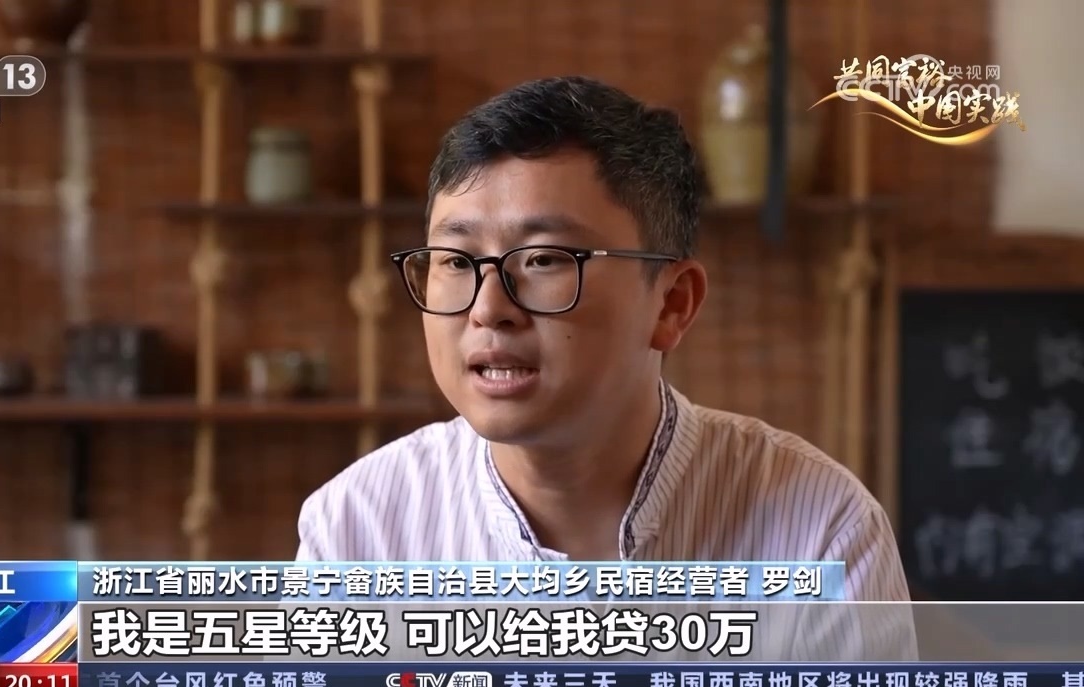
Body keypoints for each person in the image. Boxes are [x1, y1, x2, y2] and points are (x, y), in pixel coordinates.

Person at [295, 77, 915, 657]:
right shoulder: (359, 529)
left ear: (671, 304)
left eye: (544, 260)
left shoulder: (820, 533)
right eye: (456, 261)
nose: (488, 310)